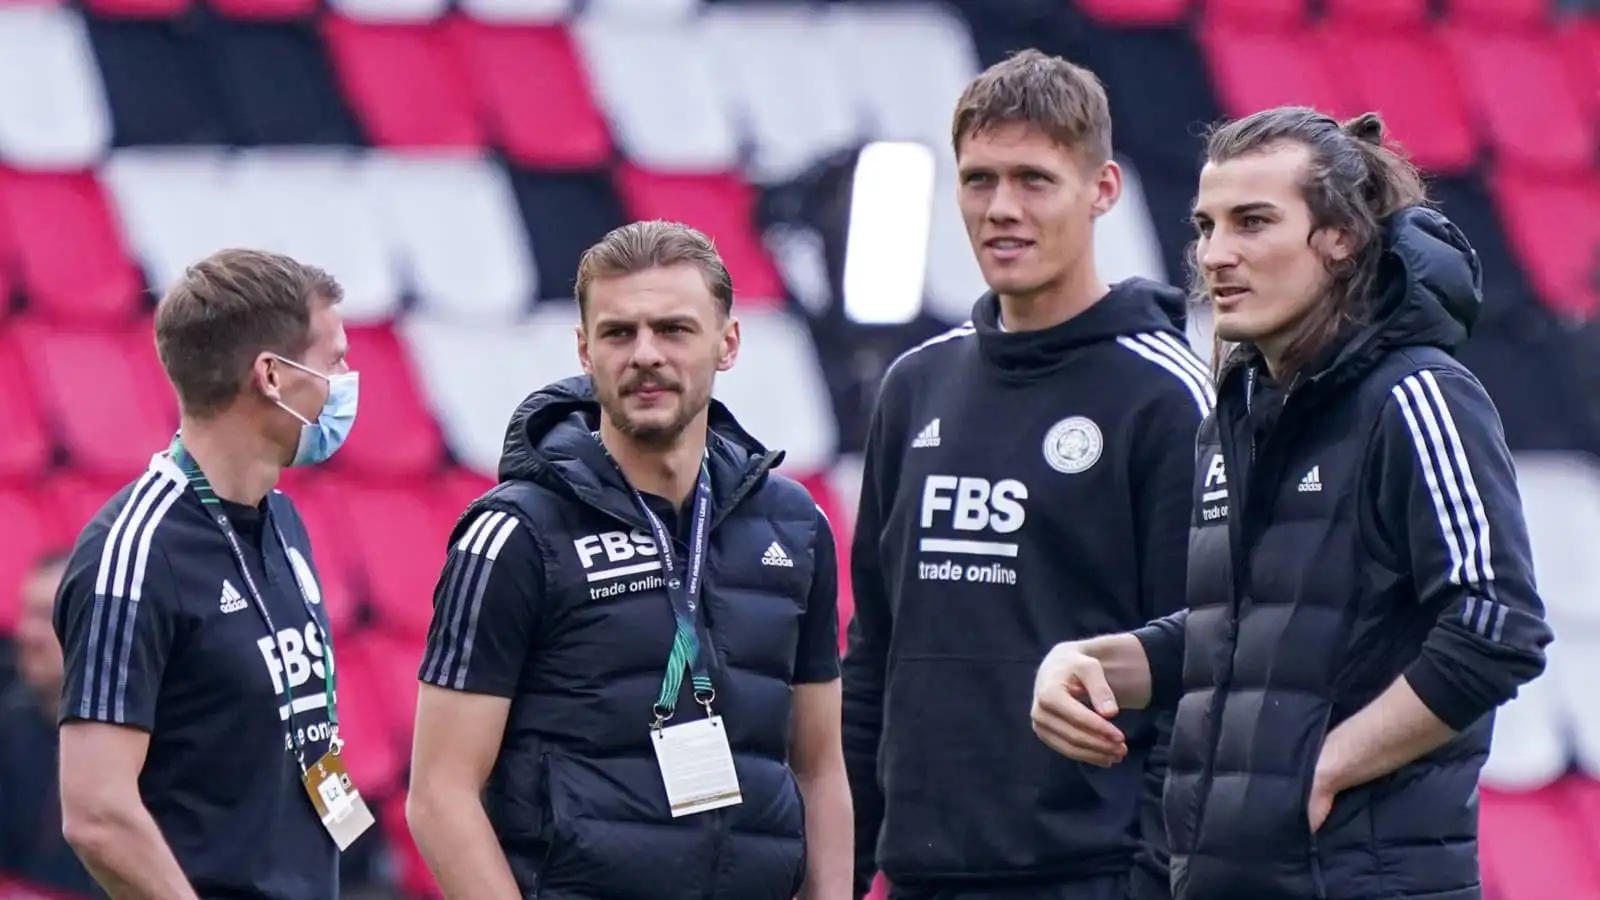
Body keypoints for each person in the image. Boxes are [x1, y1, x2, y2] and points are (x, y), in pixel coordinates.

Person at [1029, 108, 1555, 900]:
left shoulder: (1417, 396)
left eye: (1253, 223)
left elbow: (1497, 625)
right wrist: (1089, 664)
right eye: (1206, 226)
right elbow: (1242, 635)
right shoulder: (1234, 415)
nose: (1216, 255)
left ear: (1338, 237)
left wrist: (1324, 768)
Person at [843, 49, 1209, 900]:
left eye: (1034, 180)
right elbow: (875, 657)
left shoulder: (1167, 398)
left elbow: (1206, 671)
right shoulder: (915, 386)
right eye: (979, 180)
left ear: (1103, 190)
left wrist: (1153, 882)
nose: (1000, 209)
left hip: (1089, 877)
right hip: (918, 876)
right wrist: (847, 864)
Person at [405, 219, 853, 900]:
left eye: (674, 329)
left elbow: (820, 767)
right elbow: (439, 794)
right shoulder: (515, 533)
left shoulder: (795, 526)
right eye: (619, 333)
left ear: (727, 343)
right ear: (584, 351)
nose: (645, 353)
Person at [53, 248, 368, 900]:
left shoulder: (282, 520)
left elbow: (307, 738)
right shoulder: (135, 554)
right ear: (271, 376)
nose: (345, 379)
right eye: (333, 359)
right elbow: (96, 814)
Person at [1, 551, 98, 898]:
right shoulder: (10, 728)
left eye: (46, 617)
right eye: (27, 613)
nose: (28, 634)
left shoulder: (143, 741)